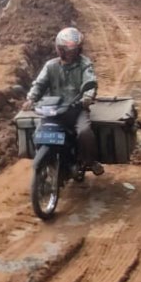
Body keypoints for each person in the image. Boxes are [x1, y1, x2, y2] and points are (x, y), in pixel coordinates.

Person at [22, 26, 104, 176]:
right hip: (54, 109)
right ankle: (45, 159)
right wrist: (31, 99)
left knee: (84, 132)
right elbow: (39, 84)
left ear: (79, 50)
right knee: (38, 132)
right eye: (66, 50)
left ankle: (90, 161)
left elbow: (90, 82)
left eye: (73, 50)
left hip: (77, 108)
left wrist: (87, 97)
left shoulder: (85, 64)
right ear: (59, 49)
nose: (69, 53)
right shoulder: (50, 66)